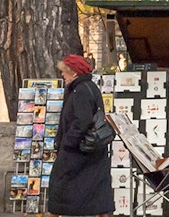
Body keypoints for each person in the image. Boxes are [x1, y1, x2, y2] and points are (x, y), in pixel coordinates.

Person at [47, 54, 112, 217]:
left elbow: (81, 121)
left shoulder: (81, 90)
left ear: (74, 73)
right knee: (96, 189)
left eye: (65, 72)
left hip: (78, 150)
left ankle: (55, 213)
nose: (62, 75)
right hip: (90, 150)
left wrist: (67, 143)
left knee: (60, 185)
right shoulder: (88, 87)